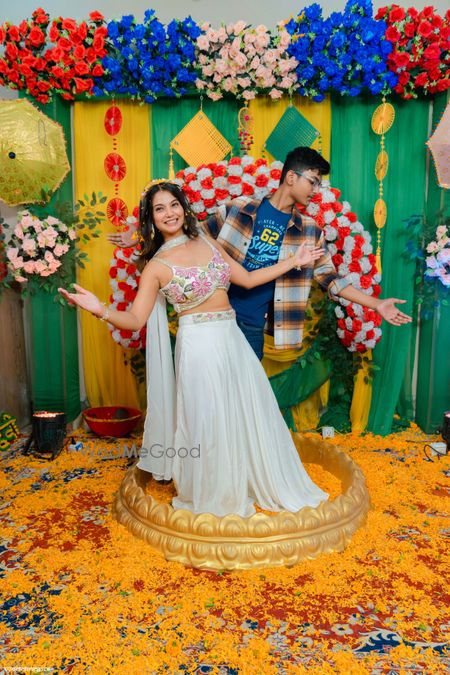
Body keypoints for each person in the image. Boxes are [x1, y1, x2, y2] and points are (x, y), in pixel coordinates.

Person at [60, 181, 332, 518]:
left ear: (183, 207)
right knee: (207, 420)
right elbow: (135, 319)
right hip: (198, 347)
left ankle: (243, 478)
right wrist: (99, 309)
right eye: (159, 209)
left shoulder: (207, 240)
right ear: (151, 219)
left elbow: (247, 279)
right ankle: (213, 491)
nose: (169, 213)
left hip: (231, 338)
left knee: (244, 412)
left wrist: (294, 261)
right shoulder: (156, 266)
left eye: (173, 205)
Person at [108, 147, 412, 360]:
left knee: (243, 406)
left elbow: (332, 280)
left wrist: (377, 304)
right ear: (291, 177)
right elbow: (189, 232)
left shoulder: (309, 231)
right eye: (313, 181)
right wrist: (139, 234)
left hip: (253, 325)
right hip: (213, 322)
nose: (315, 189)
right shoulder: (238, 209)